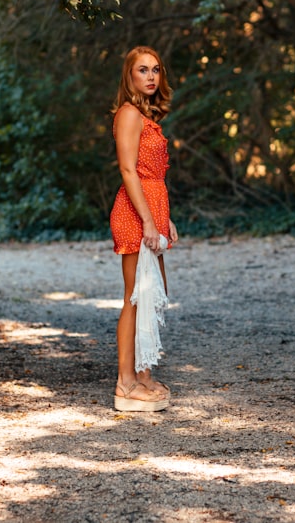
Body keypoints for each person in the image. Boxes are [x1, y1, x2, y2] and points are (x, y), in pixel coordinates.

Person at [109, 46, 179, 412]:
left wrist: (165, 217)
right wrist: (150, 221)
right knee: (135, 298)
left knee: (153, 294)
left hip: (152, 209)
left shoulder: (149, 116)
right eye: (142, 70)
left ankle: (144, 376)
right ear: (130, 76)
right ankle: (125, 383)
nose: (151, 76)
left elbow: (154, 175)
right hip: (134, 214)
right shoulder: (128, 114)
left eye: (155, 70)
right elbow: (128, 170)